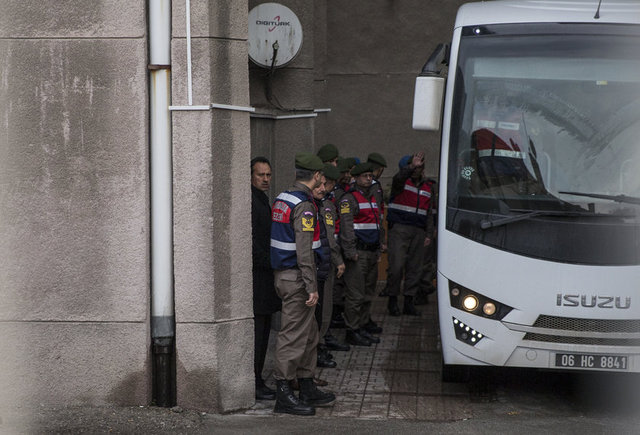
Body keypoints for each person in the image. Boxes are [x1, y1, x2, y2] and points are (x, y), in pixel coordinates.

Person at [270, 152, 336, 416]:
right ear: (317, 176)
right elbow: (305, 250)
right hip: (298, 277)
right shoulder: (305, 205)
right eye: (322, 177)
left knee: (309, 333)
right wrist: (311, 286)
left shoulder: (283, 197)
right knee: (293, 336)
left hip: (286, 274)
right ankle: (284, 392)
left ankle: (306, 385)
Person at [339, 162, 384, 346]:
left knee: (368, 293)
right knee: (355, 294)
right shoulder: (349, 199)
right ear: (356, 178)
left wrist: (379, 248)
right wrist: (350, 251)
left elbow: (377, 223)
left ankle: (363, 325)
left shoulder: (372, 197)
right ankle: (352, 330)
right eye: (364, 176)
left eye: (370, 176)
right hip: (358, 252)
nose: (368, 179)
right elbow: (346, 227)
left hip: (372, 251)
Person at [385, 152, 435, 316]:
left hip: (419, 231)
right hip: (400, 228)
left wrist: (429, 234)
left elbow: (429, 213)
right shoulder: (401, 182)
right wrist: (411, 166)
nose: (417, 170)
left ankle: (408, 302)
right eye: (414, 167)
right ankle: (392, 300)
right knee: (396, 266)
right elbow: (398, 177)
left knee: (415, 268)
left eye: (419, 167)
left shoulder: (428, 187)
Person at [251, 157, 281, 401]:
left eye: (268, 175)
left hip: (265, 274)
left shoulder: (262, 200)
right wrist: (268, 261)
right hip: (258, 276)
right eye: (260, 174)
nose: (265, 179)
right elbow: (252, 240)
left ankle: (258, 378)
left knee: (263, 331)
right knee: (258, 333)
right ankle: (255, 380)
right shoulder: (252, 201)